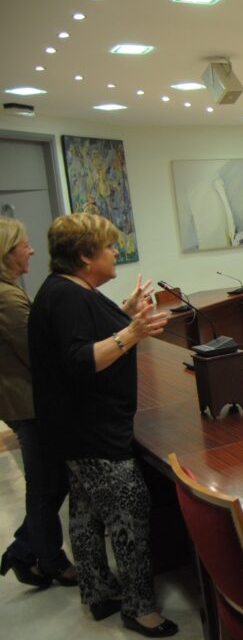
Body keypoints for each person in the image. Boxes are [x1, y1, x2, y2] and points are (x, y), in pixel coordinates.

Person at [28, 214, 177, 635]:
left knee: (87, 513)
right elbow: (78, 361)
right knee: (130, 514)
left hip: (72, 430)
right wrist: (131, 332)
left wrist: (123, 314)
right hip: (93, 432)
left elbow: (82, 334)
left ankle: (98, 592)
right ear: (84, 257)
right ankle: (139, 608)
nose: (116, 253)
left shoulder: (64, 291)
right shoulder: (70, 297)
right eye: (109, 247)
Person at [0, 218, 77, 589]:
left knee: (51, 480)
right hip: (28, 406)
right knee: (46, 485)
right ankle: (50, 561)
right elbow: (37, 353)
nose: (31, 250)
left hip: (26, 402)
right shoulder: (6, 297)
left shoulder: (9, 291)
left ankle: (25, 551)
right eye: (24, 244)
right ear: (6, 252)